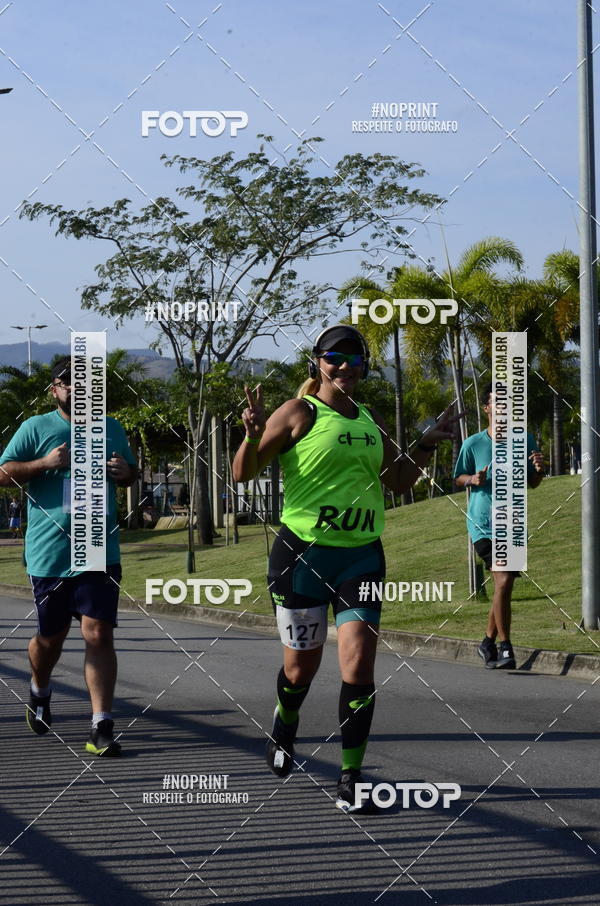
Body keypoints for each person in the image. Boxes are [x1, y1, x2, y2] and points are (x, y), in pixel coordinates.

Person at [232, 325, 458, 812]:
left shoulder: (369, 420)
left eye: (356, 360)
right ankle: (285, 720)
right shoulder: (298, 412)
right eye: (336, 358)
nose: (346, 368)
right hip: (302, 557)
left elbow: (397, 483)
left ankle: (351, 777)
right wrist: (250, 439)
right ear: (317, 362)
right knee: (301, 667)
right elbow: (242, 473)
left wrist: (426, 444)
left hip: (361, 556)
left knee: (358, 665)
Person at [0, 356, 137, 755]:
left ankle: (101, 726)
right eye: (69, 382)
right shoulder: (36, 428)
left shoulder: (110, 428)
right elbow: (2, 473)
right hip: (51, 552)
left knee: (98, 632)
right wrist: (43, 463)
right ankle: (40, 689)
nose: (79, 389)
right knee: (51, 637)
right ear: (55, 389)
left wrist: (124, 472)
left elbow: (132, 471)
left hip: (99, 547)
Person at [453, 383, 544, 670]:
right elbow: (457, 478)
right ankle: (506, 648)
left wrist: (539, 470)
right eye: (497, 403)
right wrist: (472, 480)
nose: (503, 408)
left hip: (513, 523)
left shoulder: (524, 440)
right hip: (483, 524)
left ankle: (487, 641)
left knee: (503, 588)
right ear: (487, 408)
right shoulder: (474, 444)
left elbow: (532, 482)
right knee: (503, 580)